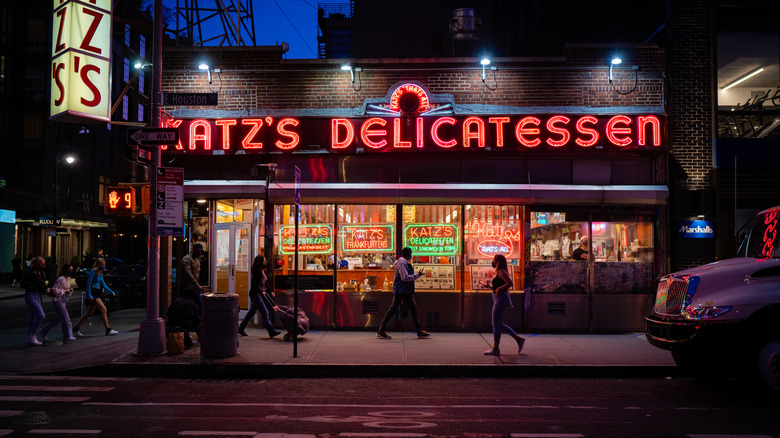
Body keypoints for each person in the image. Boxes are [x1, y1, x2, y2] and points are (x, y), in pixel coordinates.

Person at [376, 247, 431, 339]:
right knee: (395, 309)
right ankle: (381, 330)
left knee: (412, 310)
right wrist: (417, 275)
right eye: (411, 253)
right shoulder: (402, 263)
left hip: (404, 291)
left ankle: (419, 331)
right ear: (408, 254)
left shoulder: (404, 263)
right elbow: (404, 277)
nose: (412, 255)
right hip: (402, 291)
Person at [482, 254, 525, 356]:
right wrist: (490, 287)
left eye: (494, 260)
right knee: (499, 324)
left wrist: (499, 289)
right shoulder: (499, 272)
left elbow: (510, 283)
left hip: (501, 299)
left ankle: (496, 348)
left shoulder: (502, 272)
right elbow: (499, 286)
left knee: (495, 324)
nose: (493, 262)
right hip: (499, 298)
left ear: (498, 262)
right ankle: (518, 339)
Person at [72, 258, 119, 337]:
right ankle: (108, 329)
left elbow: (103, 284)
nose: (104, 266)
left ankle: (76, 328)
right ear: (98, 264)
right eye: (102, 264)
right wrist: (89, 295)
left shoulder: (100, 273)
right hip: (93, 293)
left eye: (104, 264)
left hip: (97, 292)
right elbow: (88, 284)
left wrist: (111, 292)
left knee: (89, 313)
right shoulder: (93, 272)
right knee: (103, 309)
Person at [239, 254, 281, 339]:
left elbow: (265, 283)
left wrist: (270, 291)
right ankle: (271, 331)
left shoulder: (263, 270)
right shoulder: (256, 272)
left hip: (261, 294)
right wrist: (262, 291)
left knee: (251, 313)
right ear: (260, 262)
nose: (265, 262)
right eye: (264, 261)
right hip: (256, 294)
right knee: (265, 312)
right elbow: (255, 285)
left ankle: (240, 328)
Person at [39, 264, 76, 343]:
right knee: (66, 319)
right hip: (57, 300)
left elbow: (66, 290)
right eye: (70, 270)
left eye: (72, 270)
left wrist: (69, 291)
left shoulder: (69, 278)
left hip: (64, 300)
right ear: (65, 270)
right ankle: (67, 336)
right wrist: (64, 291)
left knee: (57, 319)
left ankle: (43, 331)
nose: (71, 271)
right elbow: (54, 289)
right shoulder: (60, 279)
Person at [20, 256, 48, 346]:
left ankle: (31, 336)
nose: (44, 265)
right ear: (38, 264)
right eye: (42, 264)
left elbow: (42, 285)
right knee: (41, 315)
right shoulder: (32, 273)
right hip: (31, 294)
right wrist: (39, 287)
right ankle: (32, 335)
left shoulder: (40, 273)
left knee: (33, 317)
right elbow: (23, 284)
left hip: (36, 295)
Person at [180, 243, 204, 309]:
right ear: (193, 250)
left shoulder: (196, 260)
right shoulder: (187, 259)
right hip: (187, 286)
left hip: (194, 286)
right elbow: (188, 274)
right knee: (188, 305)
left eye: (200, 251)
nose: (199, 252)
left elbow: (196, 274)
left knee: (198, 305)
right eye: (198, 251)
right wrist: (197, 285)